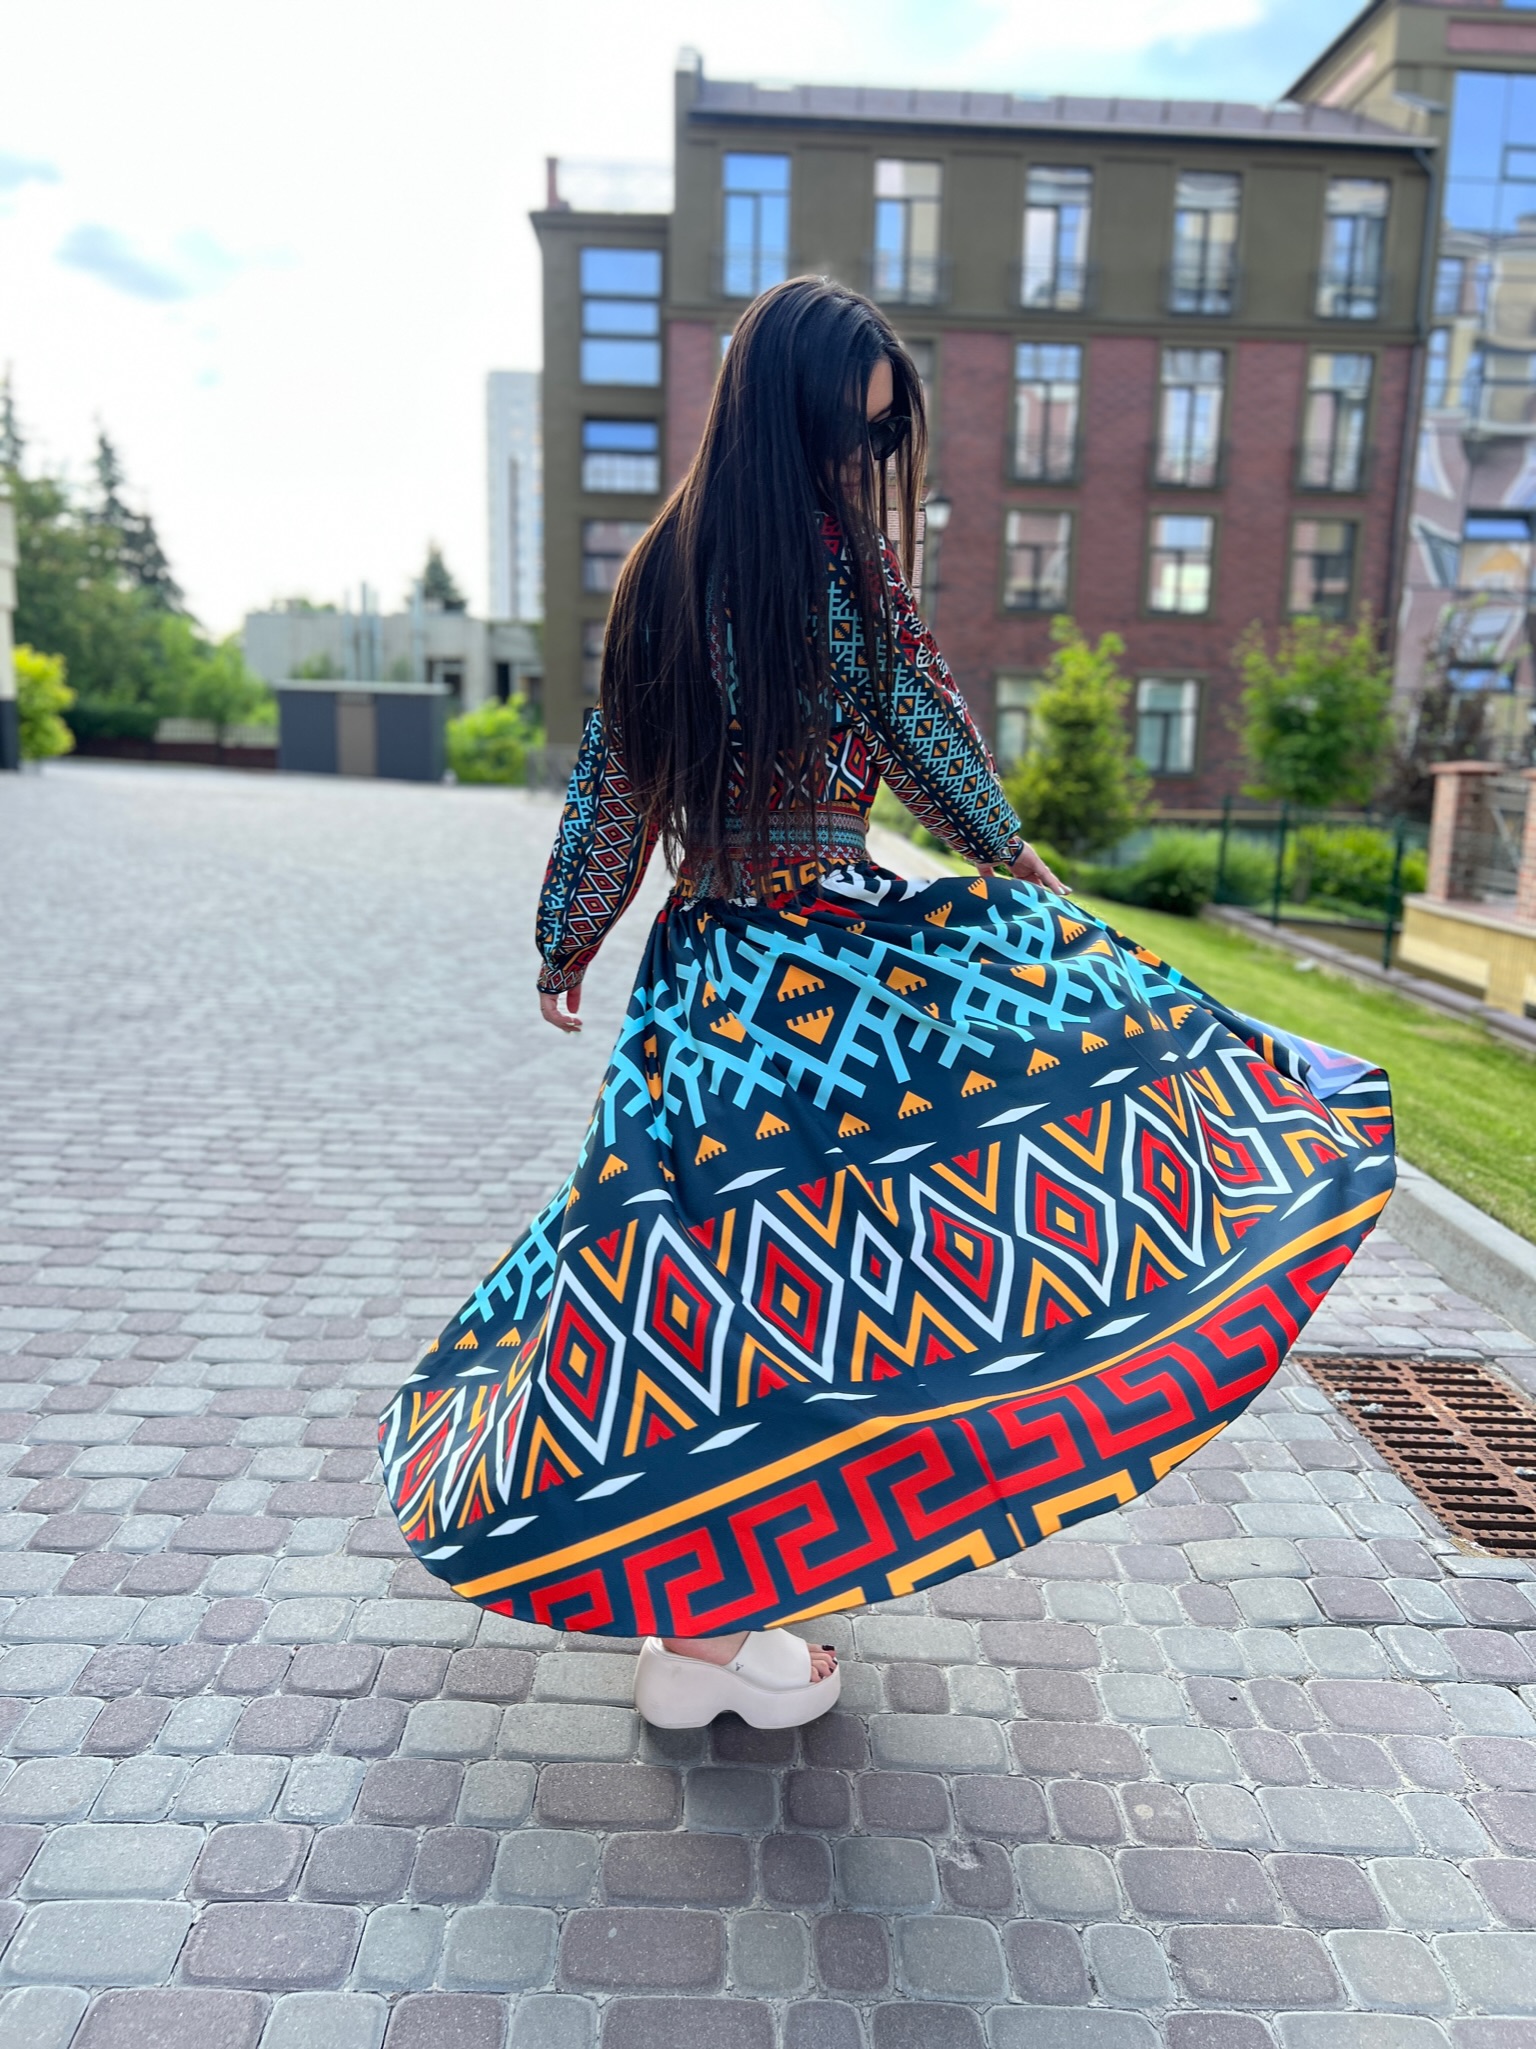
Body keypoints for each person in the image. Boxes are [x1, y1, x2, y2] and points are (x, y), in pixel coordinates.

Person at [381, 277, 1394, 1733]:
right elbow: (923, 735)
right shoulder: (841, 572)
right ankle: (719, 1626)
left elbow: (616, 779)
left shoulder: (661, 569)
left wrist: (569, 942)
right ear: (790, 417)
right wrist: (1016, 863)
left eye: (878, 438)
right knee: (849, 1275)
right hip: (832, 982)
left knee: (692, 1283)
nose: (864, 462)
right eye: (852, 435)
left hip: (705, 984)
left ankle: (699, 1619)